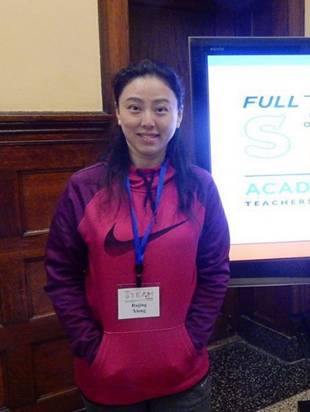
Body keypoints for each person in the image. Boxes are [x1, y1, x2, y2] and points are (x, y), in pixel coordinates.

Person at [44, 59, 230, 411]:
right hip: (107, 378)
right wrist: (92, 348)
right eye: (134, 107)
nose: (148, 121)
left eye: (161, 109)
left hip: (183, 376)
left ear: (179, 114)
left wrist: (191, 340)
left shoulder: (201, 186)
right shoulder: (84, 187)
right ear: (117, 112)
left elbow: (215, 271)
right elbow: (61, 275)